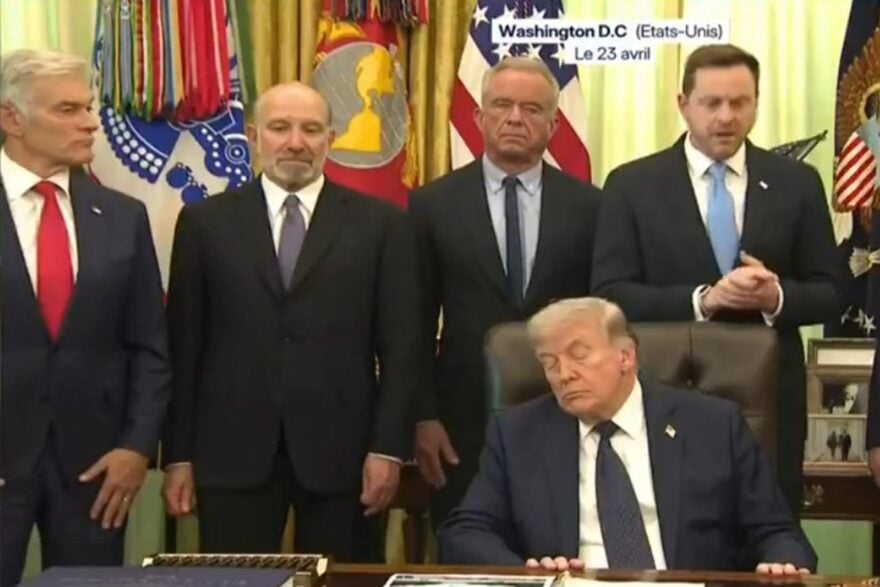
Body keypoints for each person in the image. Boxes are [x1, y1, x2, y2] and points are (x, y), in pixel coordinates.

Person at [161, 82, 419, 561]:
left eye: (311, 130)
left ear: (331, 139)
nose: (296, 142)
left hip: (346, 458)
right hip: (231, 454)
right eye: (280, 128)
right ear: (253, 136)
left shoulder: (382, 225)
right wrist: (178, 455)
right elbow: (184, 347)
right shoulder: (204, 223)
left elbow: (403, 350)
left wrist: (388, 449)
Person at [590, 44, 840, 515]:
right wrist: (702, 300)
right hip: (665, 393)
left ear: (757, 103)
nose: (726, 117)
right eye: (712, 103)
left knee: (769, 527)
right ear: (683, 104)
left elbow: (830, 291)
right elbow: (610, 294)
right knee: (672, 527)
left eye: (739, 102)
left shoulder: (797, 182)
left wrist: (775, 297)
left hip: (769, 396)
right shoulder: (632, 184)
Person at [438, 297, 817, 574]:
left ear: (626, 356)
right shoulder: (519, 433)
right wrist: (529, 574)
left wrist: (782, 563)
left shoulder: (712, 424)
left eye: (578, 355)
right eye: (549, 364)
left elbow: (777, 531)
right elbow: (465, 532)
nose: (563, 374)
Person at [0, 49, 171, 587]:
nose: (90, 122)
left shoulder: (122, 216)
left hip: (96, 471)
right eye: (68, 109)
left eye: (89, 107)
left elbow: (149, 346)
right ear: (12, 119)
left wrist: (136, 448)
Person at [408, 57, 601, 528]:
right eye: (502, 105)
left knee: (557, 543)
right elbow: (413, 322)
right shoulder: (432, 204)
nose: (515, 118)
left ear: (554, 124)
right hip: (462, 417)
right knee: (467, 542)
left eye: (532, 109)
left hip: (564, 408)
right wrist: (423, 417)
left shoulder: (591, 205)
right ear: (479, 117)